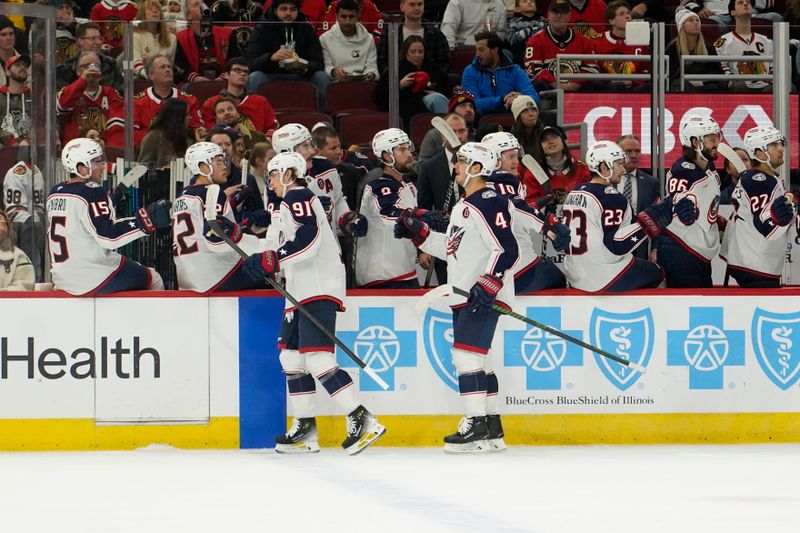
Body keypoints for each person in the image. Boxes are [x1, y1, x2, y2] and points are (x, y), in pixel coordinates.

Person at [241, 151, 386, 455]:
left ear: (285, 173)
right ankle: (306, 427)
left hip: (317, 286)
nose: (270, 183)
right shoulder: (286, 205)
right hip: (300, 289)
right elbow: (276, 247)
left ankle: (362, 418)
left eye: (272, 176)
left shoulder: (299, 195)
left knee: (318, 358)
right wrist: (260, 255)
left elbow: (310, 237)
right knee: (292, 360)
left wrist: (274, 259)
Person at [395, 142, 518, 453]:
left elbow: (506, 248)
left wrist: (490, 281)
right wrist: (419, 233)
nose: (457, 167)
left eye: (462, 162)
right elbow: (453, 250)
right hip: (467, 290)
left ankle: (475, 423)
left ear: (477, 167)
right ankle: (491, 428)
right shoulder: (466, 205)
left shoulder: (488, 201)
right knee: (481, 361)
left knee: (466, 357)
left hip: (480, 293)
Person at [46, 138, 171, 295]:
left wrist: (114, 198)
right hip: (93, 276)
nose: (103, 167)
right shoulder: (93, 191)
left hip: (62, 277)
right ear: (81, 168)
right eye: (97, 162)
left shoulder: (55, 192)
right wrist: (146, 221)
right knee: (154, 278)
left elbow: (83, 217)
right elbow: (108, 238)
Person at [562, 140, 688, 292]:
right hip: (603, 277)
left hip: (575, 275)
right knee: (658, 272)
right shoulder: (610, 197)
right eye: (618, 164)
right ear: (603, 167)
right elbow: (617, 245)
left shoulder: (574, 193)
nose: (623, 169)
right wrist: (650, 222)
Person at [172, 141, 271, 292]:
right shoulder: (213, 192)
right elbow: (216, 238)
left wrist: (241, 219)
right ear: (203, 167)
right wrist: (249, 232)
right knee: (270, 266)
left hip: (188, 279)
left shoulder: (181, 197)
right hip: (217, 274)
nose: (225, 166)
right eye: (218, 162)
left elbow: (204, 229)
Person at [483, 131, 569, 293]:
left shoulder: (482, 184)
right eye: (510, 157)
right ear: (493, 160)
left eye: (517, 156)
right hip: (519, 268)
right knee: (559, 278)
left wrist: (532, 206)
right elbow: (514, 206)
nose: (516, 162)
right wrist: (549, 225)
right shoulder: (503, 180)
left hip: (491, 272)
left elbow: (507, 210)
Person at [356, 129, 440, 288]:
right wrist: (422, 216)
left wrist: (423, 247)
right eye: (402, 149)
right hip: (382, 275)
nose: (409, 154)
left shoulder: (408, 185)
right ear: (387, 156)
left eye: (408, 148)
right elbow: (391, 216)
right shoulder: (377, 186)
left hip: (404, 271)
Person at [721, 126, 798, 288]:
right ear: (759, 154)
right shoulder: (760, 181)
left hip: (752, 262)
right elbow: (765, 225)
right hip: (755, 265)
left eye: (780, 143)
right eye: (774, 145)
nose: (781, 148)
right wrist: (780, 217)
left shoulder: (764, 178)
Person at [656, 114, 724, 288]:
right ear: (696, 142)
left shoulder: (708, 166)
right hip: (681, 249)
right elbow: (677, 202)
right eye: (711, 139)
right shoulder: (683, 171)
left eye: (717, 137)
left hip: (698, 248)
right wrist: (682, 208)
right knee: (686, 307)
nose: (716, 143)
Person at [271, 123, 365, 239]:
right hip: (298, 250)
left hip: (330, 248)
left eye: (311, 144)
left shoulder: (325, 166)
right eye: (305, 146)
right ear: (288, 152)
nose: (312, 151)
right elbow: (276, 223)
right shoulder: (276, 179)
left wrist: (347, 219)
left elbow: (338, 199)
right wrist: (308, 208)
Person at [246, 0, 327, 101]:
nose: (288, 13)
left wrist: (305, 67)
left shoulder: (307, 29)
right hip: (271, 74)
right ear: (275, 10)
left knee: (321, 76)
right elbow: (252, 63)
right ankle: (255, 113)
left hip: (302, 75)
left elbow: (318, 62)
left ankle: (324, 115)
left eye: (293, 10)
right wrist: (271, 57)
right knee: (255, 77)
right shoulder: (262, 28)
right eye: (284, 9)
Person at [375, 35, 452, 128]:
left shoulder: (431, 67)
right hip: (406, 108)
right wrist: (400, 85)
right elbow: (379, 97)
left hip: (431, 106)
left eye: (421, 52)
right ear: (405, 53)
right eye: (413, 52)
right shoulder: (395, 70)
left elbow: (447, 85)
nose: (417, 55)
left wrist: (432, 91)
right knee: (436, 99)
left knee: (438, 98)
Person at [524, 0, 599, 93]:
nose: (559, 16)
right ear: (548, 15)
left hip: (578, 90)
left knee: (597, 83)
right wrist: (555, 83)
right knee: (538, 84)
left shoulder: (584, 41)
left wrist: (576, 83)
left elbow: (592, 69)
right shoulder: (535, 40)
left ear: (570, 16)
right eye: (555, 12)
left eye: (563, 12)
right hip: (549, 90)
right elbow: (532, 70)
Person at [57, 51, 125, 148]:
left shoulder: (111, 94)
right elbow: (61, 107)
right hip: (75, 150)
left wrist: (109, 150)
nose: (92, 69)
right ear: (78, 71)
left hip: (104, 150)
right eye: (86, 66)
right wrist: (83, 80)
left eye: (96, 65)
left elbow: (118, 127)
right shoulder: (68, 91)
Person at [462, 31, 540, 115]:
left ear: (495, 50)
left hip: (512, 119)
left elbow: (535, 99)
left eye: (481, 50)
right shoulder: (470, 72)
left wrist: (520, 98)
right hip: (483, 122)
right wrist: (502, 100)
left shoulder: (514, 70)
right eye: (476, 50)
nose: (477, 54)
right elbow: (472, 104)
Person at [133, 55, 205, 147]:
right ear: (151, 75)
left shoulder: (189, 100)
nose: (168, 70)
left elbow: (198, 130)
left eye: (169, 67)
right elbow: (132, 134)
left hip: (182, 149)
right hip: (149, 152)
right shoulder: (137, 102)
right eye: (162, 67)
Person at [200, 57, 278, 133]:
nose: (243, 74)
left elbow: (273, 128)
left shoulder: (260, 101)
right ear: (226, 75)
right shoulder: (211, 103)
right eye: (237, 70)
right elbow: (209, 132)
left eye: (246, 71)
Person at [376, 0, 451, 75]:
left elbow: (445, 63)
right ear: (402, 7)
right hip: (397, 83)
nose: (417, 8)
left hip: (430, 82)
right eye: (412, 4)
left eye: (420, 4)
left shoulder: (436, 34)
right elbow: (382, 63)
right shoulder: (389, 34)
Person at [174, 0, 241, 83]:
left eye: (202, 3)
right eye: (196, 5)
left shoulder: (227, 34)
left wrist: (223, 77)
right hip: (193, 84)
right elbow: (181, 66)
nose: (201, 6)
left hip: (225, 82)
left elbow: (235, 60)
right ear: (189, 16)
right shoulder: (180, 38)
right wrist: (195, 78)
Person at [615, 134, 659, 259]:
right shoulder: (607, 180)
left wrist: (655, 249)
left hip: (640, 245)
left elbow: (657, 216)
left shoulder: (650, 182)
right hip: (612, 244)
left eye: (637, 151)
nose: (634, 155)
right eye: (628, 151)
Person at [713, 0, 773, 92]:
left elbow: (773, 68)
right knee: (740, 86)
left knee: (781, 89)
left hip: (764, 87)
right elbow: (723, 69)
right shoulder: (723, 41)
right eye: (740, 3)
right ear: (732, 12)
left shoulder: (766, 41)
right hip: (739, 87)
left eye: (748, 2)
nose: (745, 4)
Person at [522, 125, 589, 205]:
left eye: (554, 137)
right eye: (544, 140)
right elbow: (531, 205)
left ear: (563, 142)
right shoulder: (532, 174)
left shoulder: (582, 170)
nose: (550, 142)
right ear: (541, 148)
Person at [320, 0, 379, 90]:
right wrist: (333, 71)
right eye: (343, 17)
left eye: (351, 17)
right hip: (336, 83)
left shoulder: (369, 38)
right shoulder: (325, 38)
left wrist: (371, 74)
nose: (347, 21)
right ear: (336, 17)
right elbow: (327, 66)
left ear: (358, 16)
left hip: (363, 84)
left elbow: (372, 67)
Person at [594, 1, 651, 91]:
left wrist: (633, 81)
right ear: (611, 21)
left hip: (634, 88)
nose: (628, 16)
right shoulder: (597, 41)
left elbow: (645, 69)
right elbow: (594, 71)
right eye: (622, 14)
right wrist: (610, 81)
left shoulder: (640, 39)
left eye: (628, 13)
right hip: (607, 88)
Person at [3, 160, 44, 280]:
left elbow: (15, 208)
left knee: (22, 265)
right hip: (36, 221)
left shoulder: (15, 171)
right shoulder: (37, 172)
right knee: (33, 264)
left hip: (20, 221)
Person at [57, 22, 124, 92]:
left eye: (99, 38)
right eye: (93, 38)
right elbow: (62, 97)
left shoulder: (111, 63)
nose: (98, 42)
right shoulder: (65, 68)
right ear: (80, 41)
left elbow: (121, 93)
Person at [666, 10, 724, 92]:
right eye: (690, 20)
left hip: (705, 85)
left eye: (697, 20)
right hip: (682, 86)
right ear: (682, 26)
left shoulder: (708, 48)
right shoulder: (672, 48)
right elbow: (670, 75)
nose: (696, 23)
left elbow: (717, 72)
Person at [417, 87, 476, 164]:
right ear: (452, 112)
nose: (469, 109)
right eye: (463, 106)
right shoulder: (434, 135)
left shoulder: (477, 135)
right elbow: (421, 167)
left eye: (471, 106)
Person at [138, 97, 195, 169]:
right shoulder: (154, 137)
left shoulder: (188, 137)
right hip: (160, 179)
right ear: (176, 117)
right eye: (186, 114)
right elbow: (143, 167)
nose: (190, 117)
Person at [132, 0, 178, 79]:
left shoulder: (172, 38)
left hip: (165, 79)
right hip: (144, 79)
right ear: (142, 14)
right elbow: (135, 64)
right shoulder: (135, 36)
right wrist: (151, 75)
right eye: (150, 9)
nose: (155, 11)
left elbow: (170, 64)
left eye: (157, 9)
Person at [441, 0, 507, 49]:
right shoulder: (457, 2)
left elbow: (502, 34)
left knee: (507, 54)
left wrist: (495, 36)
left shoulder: (500, 5)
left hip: (489, 47)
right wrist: (450, 48)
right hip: (463, 46)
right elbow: (448, 28)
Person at [679, 0, 782, 30]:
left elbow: (769, 2)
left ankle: (783, 55)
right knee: (710, 23)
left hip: (748, 14)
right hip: (717, 16)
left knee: (775, 17)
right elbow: (686, 2)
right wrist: (699, 9)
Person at [0, 54, 31, 147]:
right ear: (7, 72)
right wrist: (14, 141)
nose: (22, 67)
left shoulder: (33, 96)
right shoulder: (1, 97)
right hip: (5, 150)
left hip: (32, 148)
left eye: (24, 65)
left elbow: (42, 124)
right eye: (17, 65)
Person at [0, 209, 34, 291]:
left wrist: (4, 292)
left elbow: (25, 285)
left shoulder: (18, 256)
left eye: (4, 223)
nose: (2, 222)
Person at [506, 0, 547, 65]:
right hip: (522, 53)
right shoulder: (514, 22)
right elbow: (511, 40)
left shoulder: (543, 21)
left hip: (542, 51)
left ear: (536, 7)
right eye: (524, 1)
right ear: (517, 9)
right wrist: (530, 30)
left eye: (532, 1)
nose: (529, 2)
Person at [510, 94, 543, 161]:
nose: (531, 114)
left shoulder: (546, 134)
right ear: (518, 117)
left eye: (533, 110)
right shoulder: (511, 141)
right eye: (525, 111)